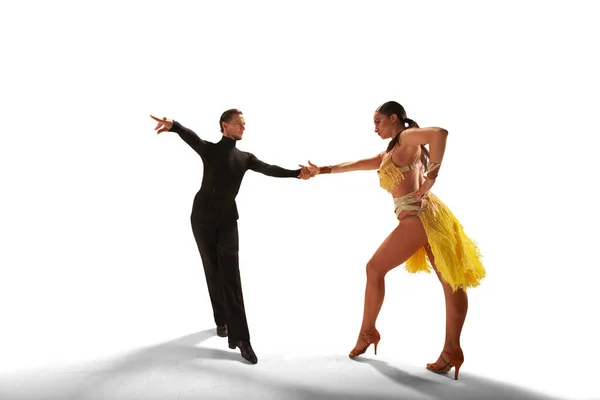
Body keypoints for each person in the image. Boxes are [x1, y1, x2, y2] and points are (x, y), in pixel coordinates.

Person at [301, 101, 485, 380]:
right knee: (450, 281)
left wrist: (433, 174)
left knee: (374, 269)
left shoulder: (406, 139)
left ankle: (367, 333)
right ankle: (452, 351)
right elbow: (355, 164)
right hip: (430, 216)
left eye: (378, 121)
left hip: (417, 217)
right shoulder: (392, 151)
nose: (374, 127)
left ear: (394, 118)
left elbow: (440, 134)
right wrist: (322, 170)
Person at [151, 110, 312, 365]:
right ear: (225, 126)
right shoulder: (211, 150)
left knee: (231, 276)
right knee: (212, 269)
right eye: (239, 124)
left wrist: (295, 173)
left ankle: (242, 339)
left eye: (244, 125)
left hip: (227, 220)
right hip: (202, 217)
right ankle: (221, 320)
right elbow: (191, 137)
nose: (243, 128)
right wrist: (174, 126)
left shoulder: (245, 158)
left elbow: (268, 168)